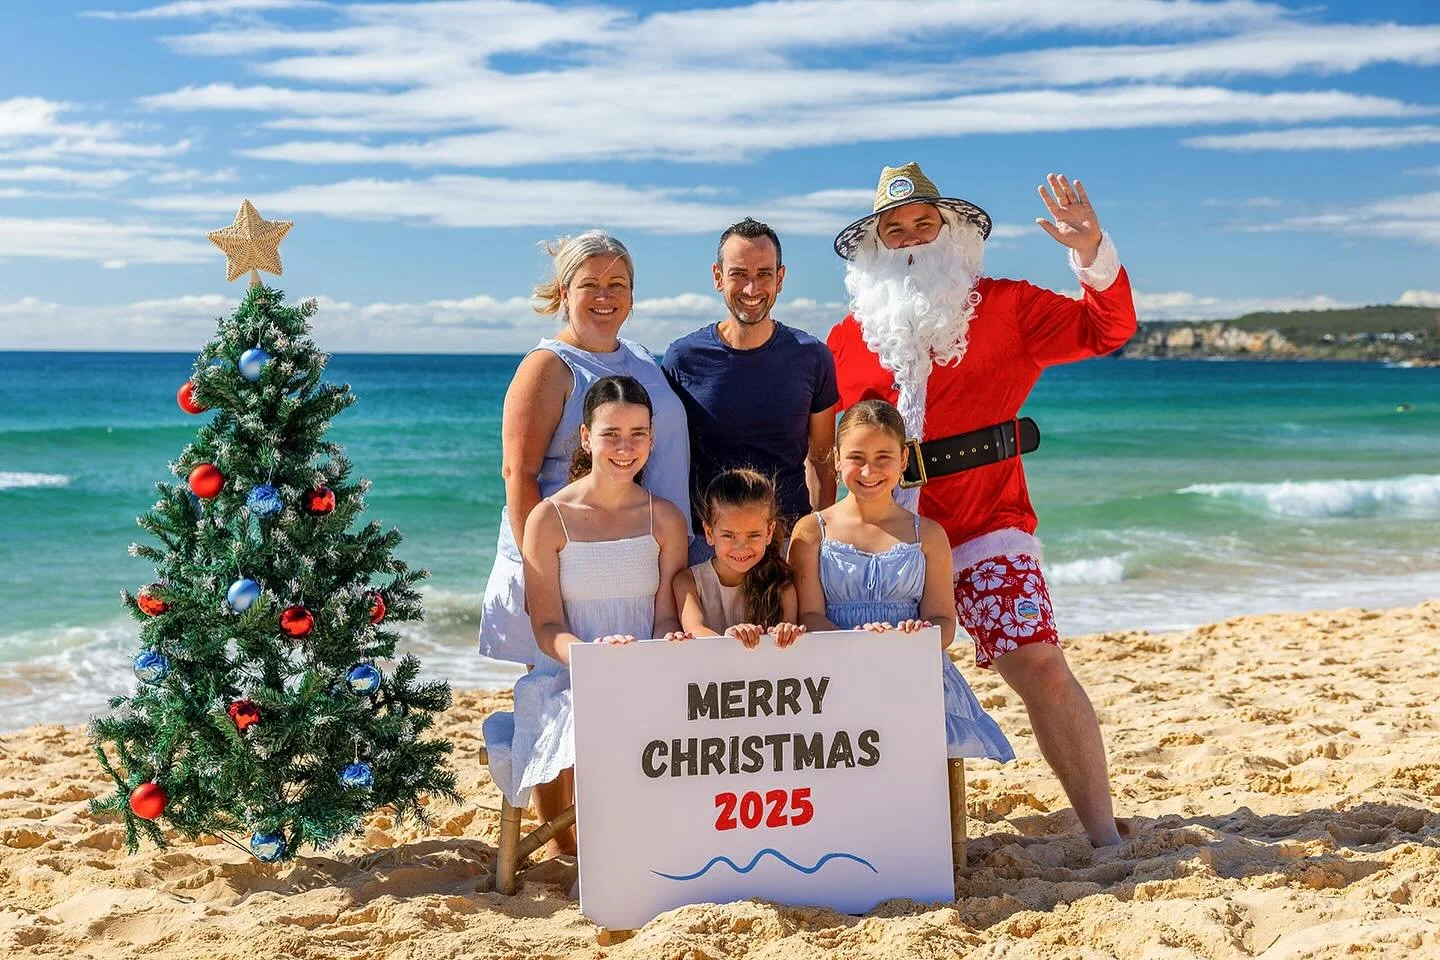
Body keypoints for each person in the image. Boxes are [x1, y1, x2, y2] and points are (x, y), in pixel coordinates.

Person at [826, 162, 1137, 846]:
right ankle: (876, 837)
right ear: (877, 246)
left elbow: (1107, 329)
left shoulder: (1010, 306)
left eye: (923, 224)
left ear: (952, 232)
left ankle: (1105, 834)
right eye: (894, 229)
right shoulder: (846, 339)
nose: (909, 238)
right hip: (887, 541)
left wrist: (1090, 251)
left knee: (1041, 665)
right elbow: (830, 450)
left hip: (986, 526)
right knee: (866, 684)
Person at [482, 376, 690, 856]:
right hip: (569, 672)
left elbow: (664, 619)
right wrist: (592, 658)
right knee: (592, 716)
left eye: (638, 434)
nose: (625, 447)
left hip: (643, 666)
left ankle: (640, 848)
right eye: (611, 434)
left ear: (652, 439)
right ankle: (575, 849)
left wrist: (650, 653)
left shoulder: (665, 519)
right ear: (585, 437)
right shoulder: (549, 518)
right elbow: (547, 625)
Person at [478, 230, 690, 667]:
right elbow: (518, 475)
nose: (604, 296)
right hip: (577, 567)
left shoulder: (643, 357)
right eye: (589, 285)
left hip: (647, 556)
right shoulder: (549, 366)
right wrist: (543, 583)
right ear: (564, 291)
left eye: (617, 285)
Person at [789, 400, 1013, 763]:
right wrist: (858, 648)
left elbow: (944, 622)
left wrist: (915, 637)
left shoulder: (927, 534)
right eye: (857, 457)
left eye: (883, 457)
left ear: (904, 460)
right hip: (837, 671)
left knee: (918, 773)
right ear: (836, 458)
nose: (869, 470)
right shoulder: (812, 531)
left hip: (911, 671)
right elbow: (810, 616)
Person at [662, 218, 839, 564]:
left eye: (764, 274)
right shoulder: (682, 358)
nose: (751, 288)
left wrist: (819, 542)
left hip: (788, 544)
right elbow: (663, 459)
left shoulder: (812, 357)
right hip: (707, 548)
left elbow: (821, 461)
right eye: (739, 274)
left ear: (781, 278)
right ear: (717, 277)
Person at [673, 468, 806, 649]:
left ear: (769, 532)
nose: (742, 547)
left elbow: (786, 652)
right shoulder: (688, 582)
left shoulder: (782, 584)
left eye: (754, 535)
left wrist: (786, 633)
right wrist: (731, 640)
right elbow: (696, 630)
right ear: (709, 533)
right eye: (729, 535)